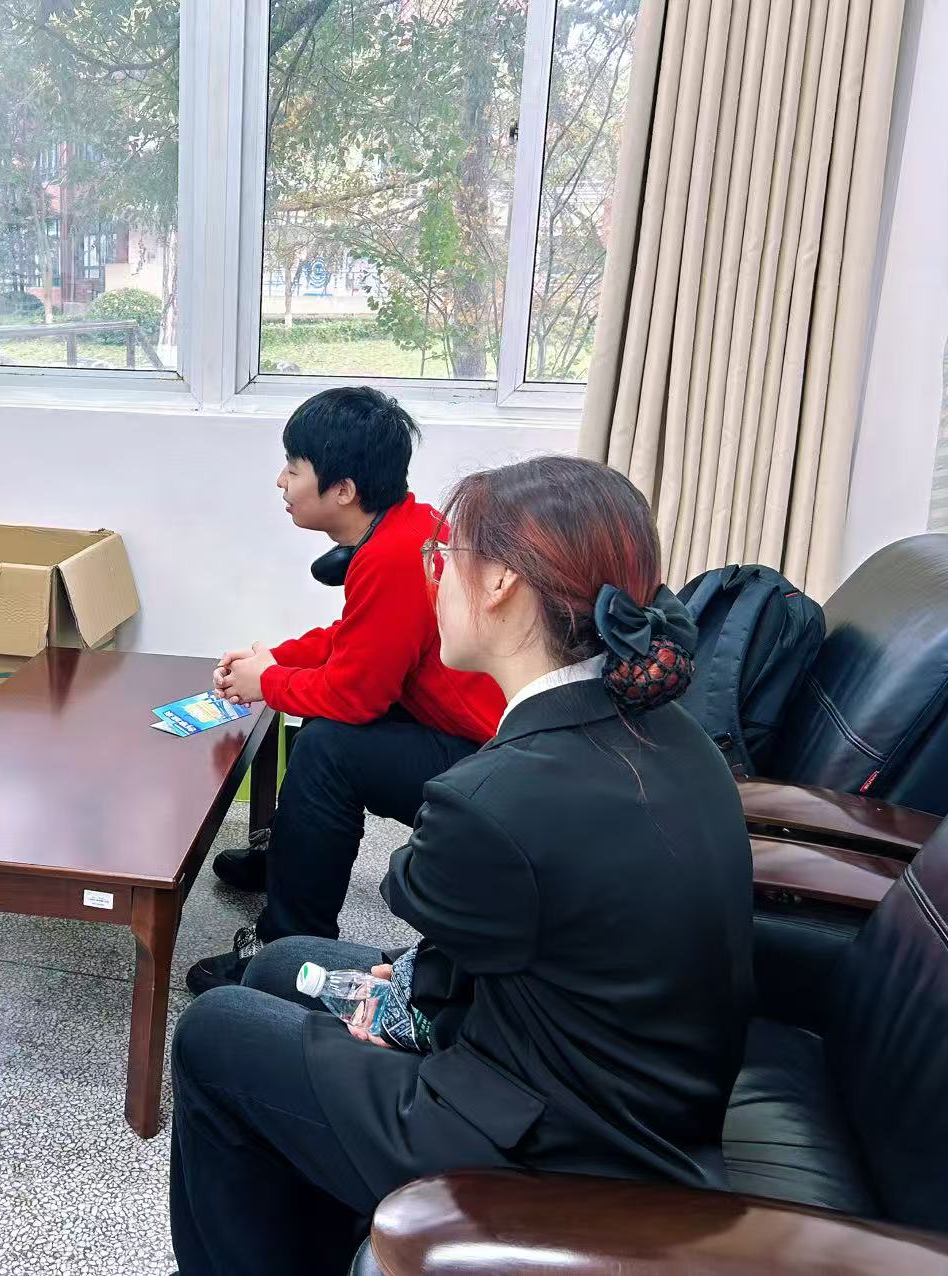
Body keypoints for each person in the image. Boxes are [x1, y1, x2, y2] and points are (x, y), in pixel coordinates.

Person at [168, 455, 755, 1276]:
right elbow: (498, 950)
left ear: (502, 583)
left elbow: (449, 963)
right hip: (623, 1082)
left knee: (213, 1033)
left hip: (549, 1140)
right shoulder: (668, 729)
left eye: (444, 557)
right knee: (281, 965)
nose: (435, 577)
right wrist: (402, 984)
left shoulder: (493, 797)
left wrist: (401, 996)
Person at [187, 387, 504, 995]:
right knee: (319, 721)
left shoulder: (392, 557)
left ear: (343, 490)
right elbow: (355, 639)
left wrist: (267, 683)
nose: (281, 480)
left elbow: (356, 696)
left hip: (489, 765)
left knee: (328, 745)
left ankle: (286, 948)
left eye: (293, 466)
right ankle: (290, 863)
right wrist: (277, 659)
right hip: (466, 734)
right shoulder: (408, 526)